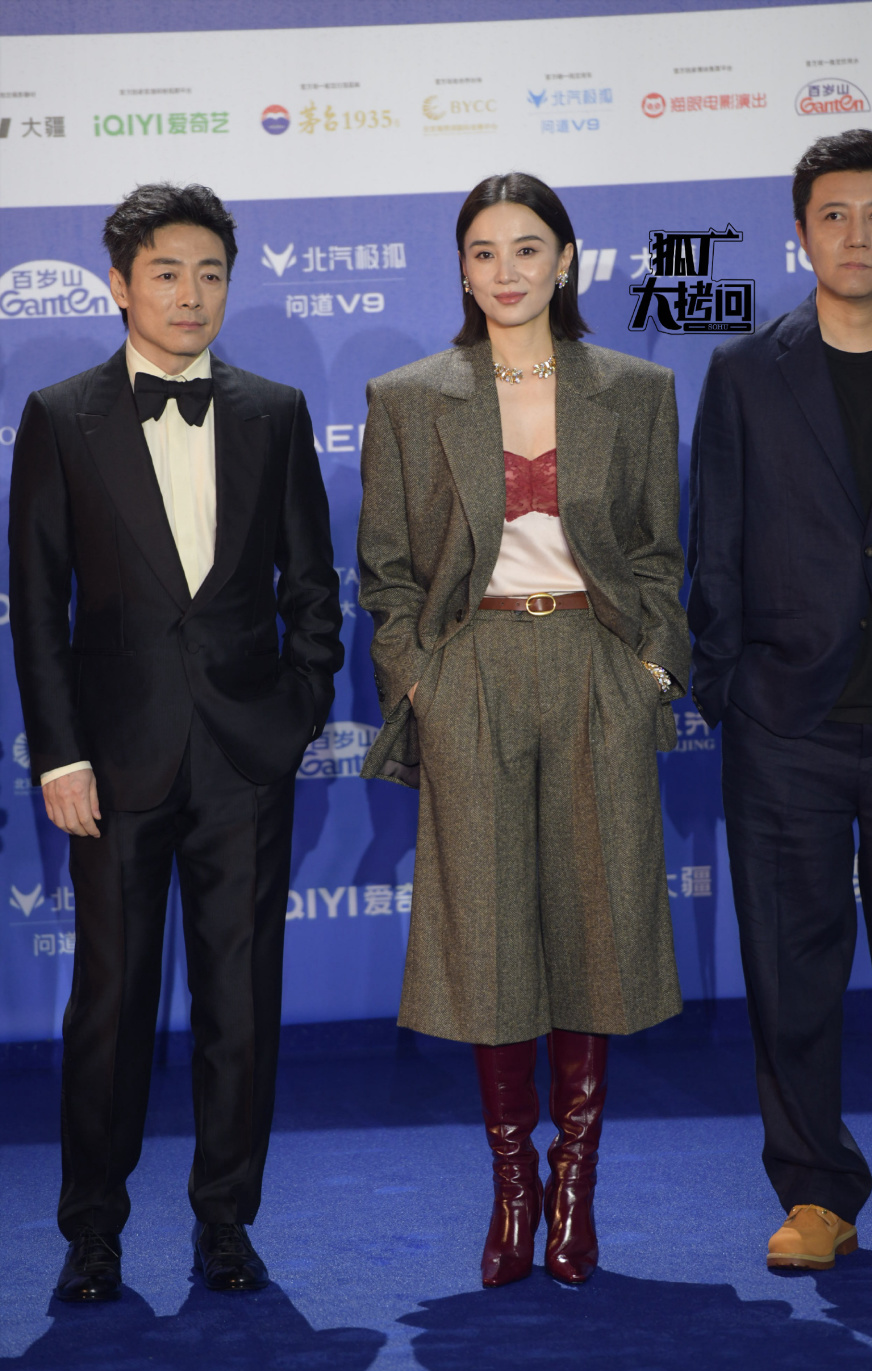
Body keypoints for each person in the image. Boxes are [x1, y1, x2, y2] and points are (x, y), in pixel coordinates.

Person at [9, 183, 343, 1301]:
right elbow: (37, 605)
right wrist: (59, 755)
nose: (190, 294)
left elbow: (313, 585)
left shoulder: (274, 412)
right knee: (109, 1004)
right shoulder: (60, 416)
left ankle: (226, 1221)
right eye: (166, 273)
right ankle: (92, 1231)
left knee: (239, 1003)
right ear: (120, 284)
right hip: (112, 764)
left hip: (246, 757)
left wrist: (298, 710)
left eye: (210, 273)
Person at [357, 173, 689, 1287]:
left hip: (596, 662)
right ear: (462, 269)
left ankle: (576, 1187)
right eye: (485, 251)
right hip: (472, 670)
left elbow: (658, 555)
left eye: (529, 247)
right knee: (491, 940)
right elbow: (386, 573)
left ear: (567, 260)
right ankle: (514, 1187)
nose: (507, 270)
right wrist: (419, 682)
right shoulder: (409, 398)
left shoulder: (636, 389)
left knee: (596, 928)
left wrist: (650, 671)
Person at [688, 129, 872, 1270]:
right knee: (790, 969)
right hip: (784, 722)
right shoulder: (747, 372)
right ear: (801, 231)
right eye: (835, 214)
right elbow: (715, 545)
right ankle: (815, 1193)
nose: (858, 235)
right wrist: (729, 688)